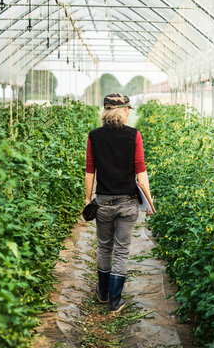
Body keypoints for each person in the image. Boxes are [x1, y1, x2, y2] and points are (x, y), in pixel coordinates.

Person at [85, 93, 155, 314]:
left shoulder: (94, 136)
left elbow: (90, 171)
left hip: (104, 202)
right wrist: (150, 203)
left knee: (104, 247)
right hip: (128, 203)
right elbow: (140, 172)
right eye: (127, 110)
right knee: (122, 250)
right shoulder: (134, 136)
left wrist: (88, 199)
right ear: (123, 111)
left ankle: (103, 293)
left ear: (105, 112)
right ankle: (116, 301)